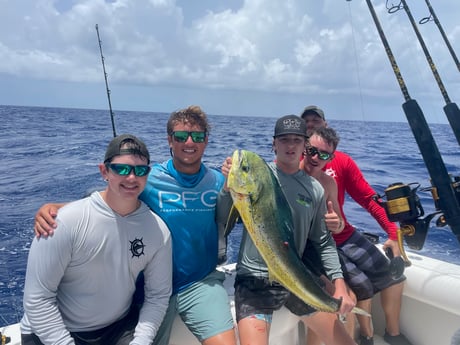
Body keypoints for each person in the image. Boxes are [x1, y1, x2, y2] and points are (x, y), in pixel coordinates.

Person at [33, 106, 237, 345]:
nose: (189, 142)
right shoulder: (148, 177)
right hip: (149, 289)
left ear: (206, 141)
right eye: (181, 136)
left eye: (197, 136)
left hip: (200, 281)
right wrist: (56, 207)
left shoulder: (220, 181)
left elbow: (249, 214)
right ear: (170, 140)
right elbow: (111, 198)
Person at [217, 115, 357, 345]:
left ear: (304, 146)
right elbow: (223, 217)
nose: (290, 146)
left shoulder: (315, 189)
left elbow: (323, 242)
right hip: (254, 281)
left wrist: (339, 283)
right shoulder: (257, 175)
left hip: (295, 275)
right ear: (274, 143)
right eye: (284, 140)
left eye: (296, 140)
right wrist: (227, 185)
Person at [20, 134, 173, 345]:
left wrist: (141, 342)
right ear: (104, 171)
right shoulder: (64, 221)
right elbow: (38, 300)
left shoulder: (158, 232)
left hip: (116, 330)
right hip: (49, 332)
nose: (131, 177)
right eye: (121, 169)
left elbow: (157, 296)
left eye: (140, 170)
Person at [300, 105, 412, 345]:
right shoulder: (293, 165)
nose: (311, 124)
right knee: (351, 292)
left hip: (345, 235)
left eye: (316, 119)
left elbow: (368, 199)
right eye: (306, 122)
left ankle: (393, 334)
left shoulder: (341, 165)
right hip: (319, 245)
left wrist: (393, 233)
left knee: (394, 277)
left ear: (326, 125)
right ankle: (366, 336)